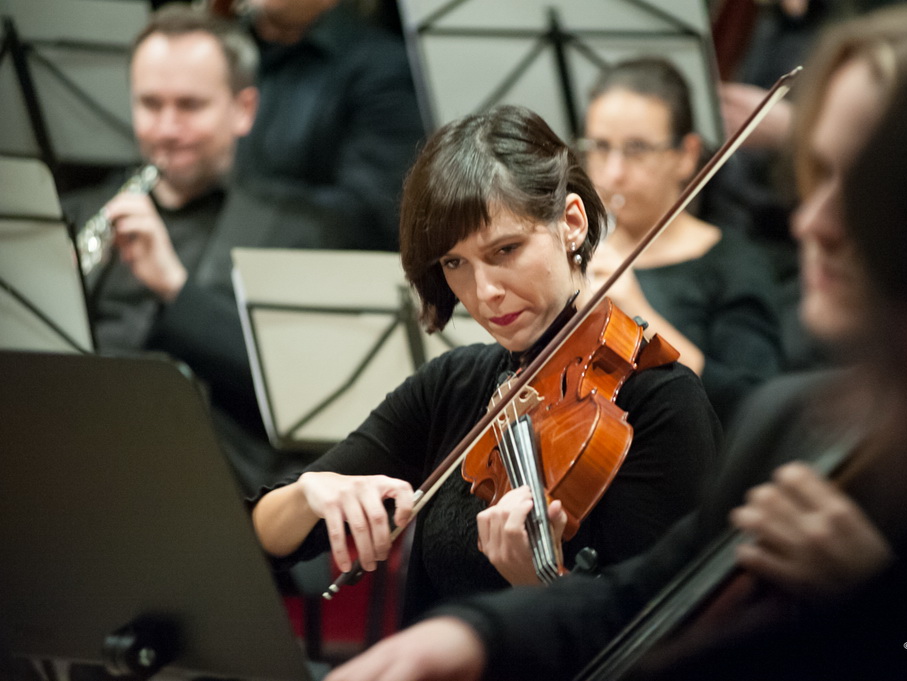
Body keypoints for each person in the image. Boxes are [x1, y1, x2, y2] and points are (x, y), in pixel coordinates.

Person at [322, 4, 907, 680]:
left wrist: (882, 606)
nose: (812, 220)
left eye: (866, 182)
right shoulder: (792, 422)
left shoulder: (684, 387)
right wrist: (470, 634)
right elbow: (641, 597)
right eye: (814, 174)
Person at [248, 104, 722, 625]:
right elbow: (258, 537)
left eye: (505, 250)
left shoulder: (658, 402)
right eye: (455, 264)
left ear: (571, 222)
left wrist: (538, 583)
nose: (485, 292)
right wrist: (309, 494)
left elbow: (660, 635)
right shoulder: (453, 385)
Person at [61, 4, 333, 495]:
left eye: (189, 106)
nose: (166, 128)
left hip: (206, 485)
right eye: (150, 104)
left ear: (243, 110)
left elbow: (305, 392)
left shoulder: (296, 231)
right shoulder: (74, 212)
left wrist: (176, 287)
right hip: (67, 458)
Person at [582, 57, 783, 429]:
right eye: (600, 147)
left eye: (637, 149)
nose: (613, 173)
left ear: (686, 155)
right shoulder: (580, 254)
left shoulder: (734, 263)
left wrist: (638, 315)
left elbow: (755, 404)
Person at [234, 0, 425, 251]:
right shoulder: (216, 48)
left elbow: (376, 212)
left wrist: (235, 201)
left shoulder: (382, 66)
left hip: (311, 267)